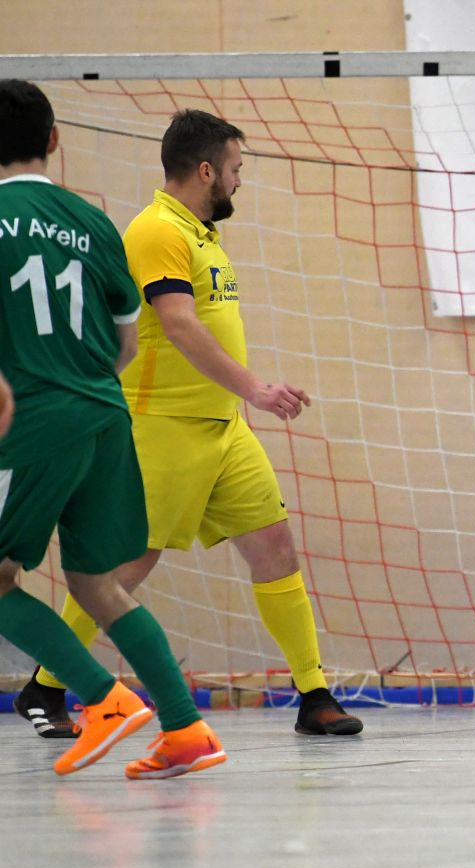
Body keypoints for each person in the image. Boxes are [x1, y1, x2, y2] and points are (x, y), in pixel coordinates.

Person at [18, 108, 360, 738]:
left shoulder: (203, 234)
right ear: (206, 170)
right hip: (162, 429)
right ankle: (46, 685)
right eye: (235, 168)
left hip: (223, 427)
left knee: (275, 548)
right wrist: (256, 389)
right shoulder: (156, 230)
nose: (239, 180)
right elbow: (176, 322)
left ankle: (314, 695)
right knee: (123, 570)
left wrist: (241, 400)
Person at [0, 79, 226, 778]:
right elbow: (127, 341)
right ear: (53, 139)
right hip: (104, 410)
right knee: (97, 582)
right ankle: (185, 728)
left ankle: (102, 699)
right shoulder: (93, 222)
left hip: (31, 417)